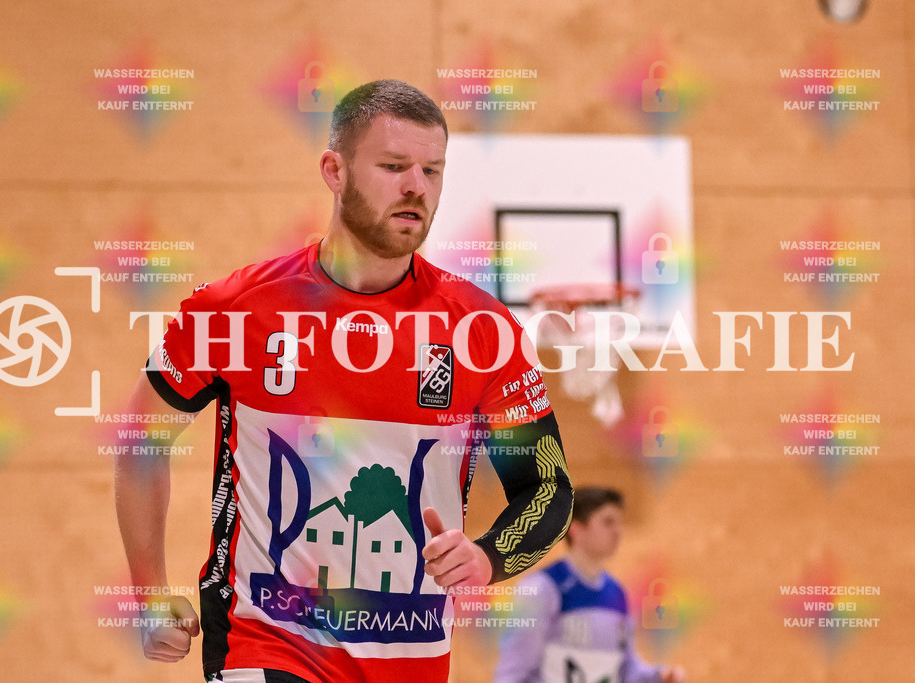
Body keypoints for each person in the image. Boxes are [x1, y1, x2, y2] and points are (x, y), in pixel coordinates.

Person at [114, 79, 573, 683]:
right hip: (265, 644)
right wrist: (150, 591)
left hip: (410, 658)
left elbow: (548, 490)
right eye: (392, 166)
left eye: (433, 171)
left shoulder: (482, 331)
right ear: (334, 170)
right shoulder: (237, 309)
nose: (416, 187)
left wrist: (485, 558)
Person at [493, 487, 686, 683]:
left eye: (620, 522)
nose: (618, 531)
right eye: (608, 522)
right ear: (576, 529)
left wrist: (658, 677)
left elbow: (626, 669)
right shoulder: (542, 589)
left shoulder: (617, 593)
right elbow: (512, 672)